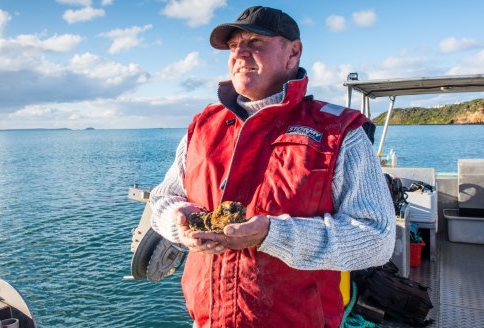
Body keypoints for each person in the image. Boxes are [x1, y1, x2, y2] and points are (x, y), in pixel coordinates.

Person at [149, 5, 396, 328]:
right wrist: (178, 223)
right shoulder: (202, 126)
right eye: (234, 45)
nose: (241, 53)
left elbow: (377, 240)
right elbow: (163, 201)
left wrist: (271, 234)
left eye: (255, 41)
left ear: (293, 53)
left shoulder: (339, 133)